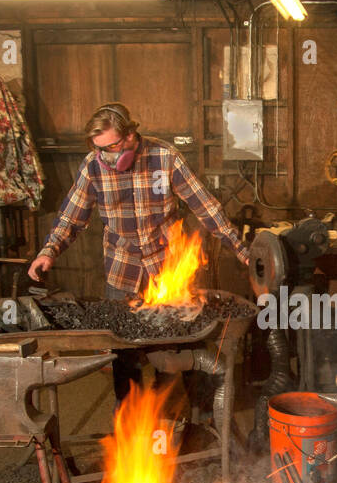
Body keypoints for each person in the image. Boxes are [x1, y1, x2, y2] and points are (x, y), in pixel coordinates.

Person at [28, 102, 250, 401]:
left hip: (167, 269)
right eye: (101, 149)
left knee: (172, 353)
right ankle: (129, 421)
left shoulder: (165, 156)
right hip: (122, 272)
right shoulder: (93, 166)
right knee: (124, 356)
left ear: (131, 135)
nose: (107, 156)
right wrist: (49, 251)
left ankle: (172, 419)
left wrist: (238, 247)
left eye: (113, 146)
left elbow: (205, 206)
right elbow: (71, 216)